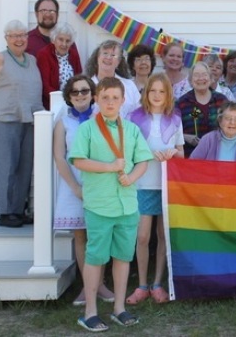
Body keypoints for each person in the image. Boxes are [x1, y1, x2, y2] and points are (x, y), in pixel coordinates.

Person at [70, 77, 152, 331]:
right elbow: (78, 160)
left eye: (115, 97)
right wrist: (109, 167)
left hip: (127, 205)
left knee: (122, 257)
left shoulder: (132, 129)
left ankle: (119, 308)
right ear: (96, 98)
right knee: (95, 257)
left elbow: (143, 161)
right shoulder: (87, 129)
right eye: (105, 97)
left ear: (122, 101)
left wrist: (132, 177)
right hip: (100, 204)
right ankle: (90, 311)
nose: (110, 102)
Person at [52, 75, 114, 306]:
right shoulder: (63, 121)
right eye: (75, 92)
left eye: (85, 91)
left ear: (92, 93)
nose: (80, 95)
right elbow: (59, 156)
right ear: (69, 96)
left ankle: (100, 285)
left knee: (99, 233)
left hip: (99, 179)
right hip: (73, 182)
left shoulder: (102, 117)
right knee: (80, 235)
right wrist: (75, 187)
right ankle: (87, 286)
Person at [127, 73, 184, 305]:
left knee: (163, 235)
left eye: (162, 91)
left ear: (168, 94)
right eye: (153, 91)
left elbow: (181, 152)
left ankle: (158, 283)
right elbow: (128, 152)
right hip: (142, 183)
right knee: (142, 236)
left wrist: (172, 153)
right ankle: (141, 284)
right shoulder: (134, 117)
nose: (157, 95)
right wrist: (149, 155)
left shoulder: (175, 119)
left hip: (166, 184)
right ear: (146, 93)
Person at [0, 20, 43, 228]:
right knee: (7, 166)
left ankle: (18, 209)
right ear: (6, 38)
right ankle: (5, 212)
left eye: (23, 35)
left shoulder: (32, 60)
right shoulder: (0, 58)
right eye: (14, 35)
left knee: (24, 167)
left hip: (29, 118)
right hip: (4, 119)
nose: (19, 39)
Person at [177, 62, 229, 157]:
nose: (201, 78)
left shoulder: (222, 101)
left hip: (218, 156)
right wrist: (185, 137)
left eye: (204, 75)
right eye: (196, 75)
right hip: (191, 157)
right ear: (191, 80)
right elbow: (172, 132)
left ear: (210, 78)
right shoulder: (182, 103)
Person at [85, 40, 141, 119]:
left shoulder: (130, 86)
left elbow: (140, 114)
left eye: (113, 55)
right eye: (105, 53)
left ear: (118, 62)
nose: (108, 57)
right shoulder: (85, 87)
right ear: (97, 57)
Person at [36, 23, 83, 110]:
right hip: (51, 104)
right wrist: (62, 101)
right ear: (54, 39)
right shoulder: (44, 54)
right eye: (60, 39)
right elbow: (45, 85)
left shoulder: (74, 54)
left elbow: (80, 79)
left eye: (68, 41)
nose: (64, 44)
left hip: (73, 103)